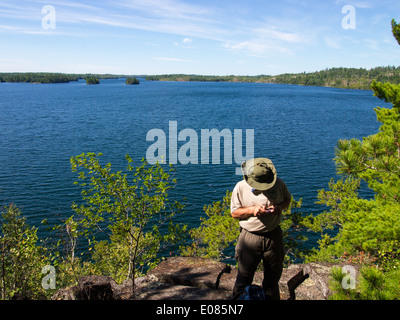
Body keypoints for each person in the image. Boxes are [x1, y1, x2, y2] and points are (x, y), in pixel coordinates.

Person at [230, 158, 291, 300]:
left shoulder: (279, 183)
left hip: (273, 236)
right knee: (243, 279)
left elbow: (287, 199)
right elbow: (234, 213)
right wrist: (252, 210)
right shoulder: (240, 187)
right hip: (250, 238)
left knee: (272, 280)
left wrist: (279, 208)